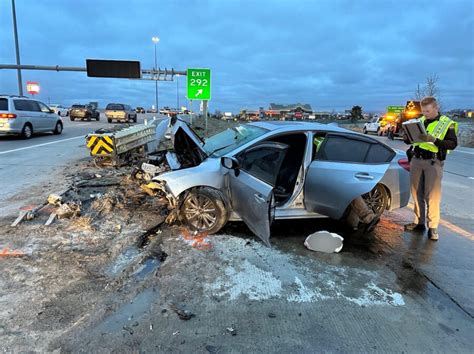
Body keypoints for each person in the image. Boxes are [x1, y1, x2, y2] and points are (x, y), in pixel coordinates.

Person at [403, 96, 458, 240]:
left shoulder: (447, 124)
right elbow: (409, 140)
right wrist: (407, 134)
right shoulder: (419, 121)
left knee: (432, 196)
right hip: (416, 159)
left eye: (428, 111)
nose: (425, 114)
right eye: (423, 111)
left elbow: (452, 144)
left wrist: (434, 140)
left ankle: (433, 227)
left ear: (436, 108)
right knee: (416, 193)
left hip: (433, 162)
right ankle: (418, 222)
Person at [313, 135, 379, 232]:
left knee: (351, 194)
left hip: (345, 176)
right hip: (340, 176)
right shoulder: (333, 146)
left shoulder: (331, 148)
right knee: (352, 195)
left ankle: (365, 219)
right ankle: (354, 223)